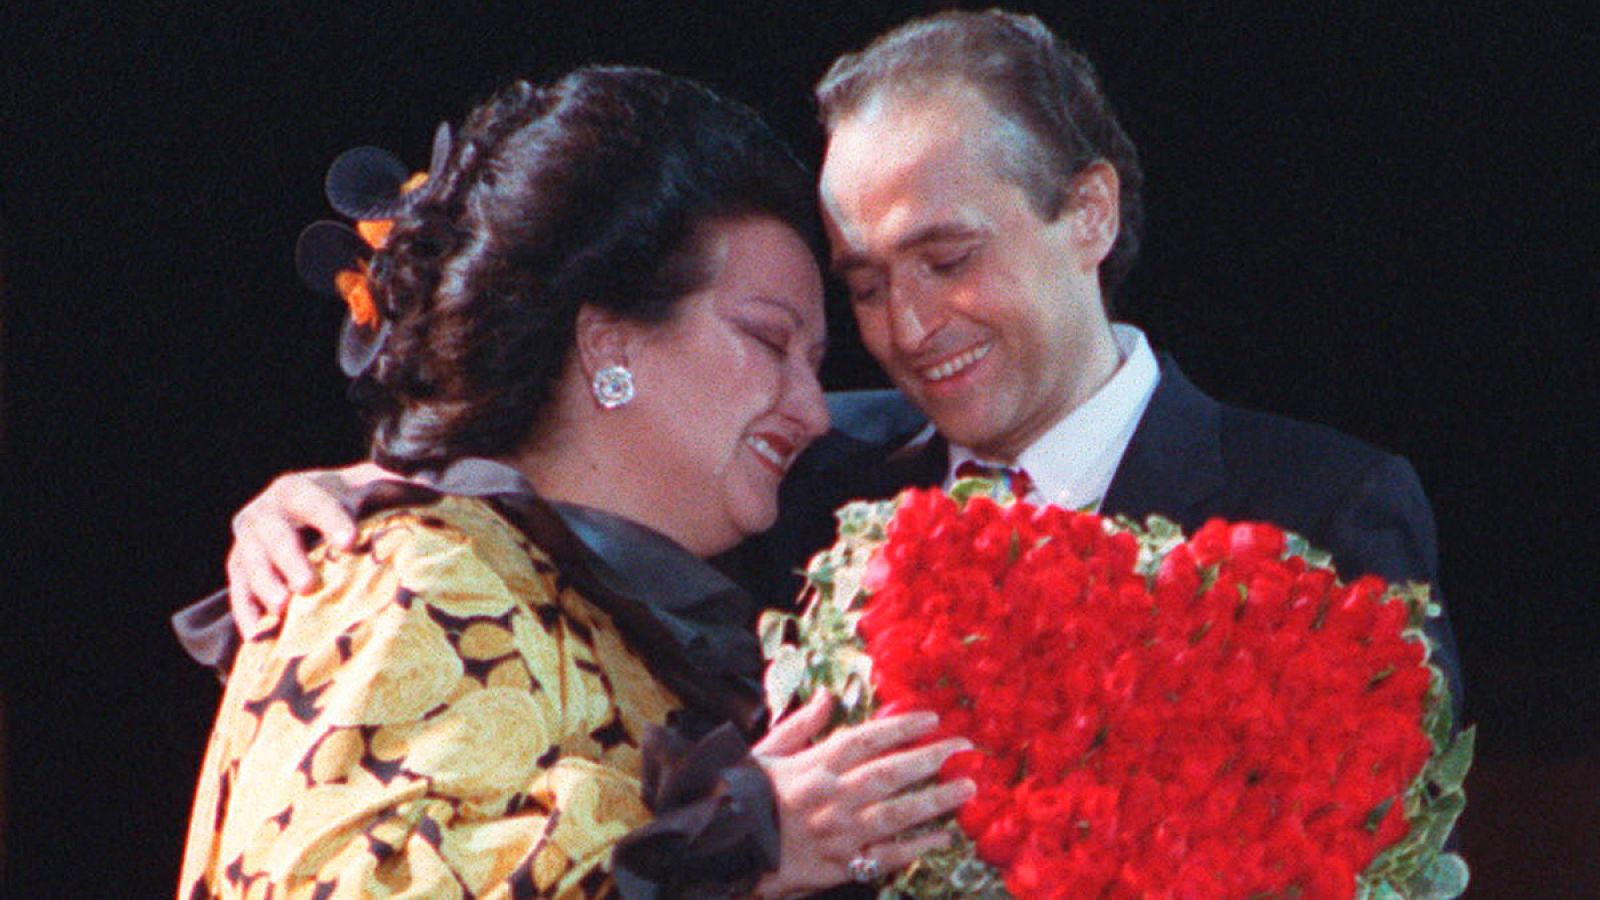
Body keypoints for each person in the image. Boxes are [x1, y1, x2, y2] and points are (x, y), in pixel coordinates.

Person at [200, 9, 1461, 709]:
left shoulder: (1322, 508)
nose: (910, 326)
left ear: (1088, 214)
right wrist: (360, 498)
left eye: (947, 256)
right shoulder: (805, 474)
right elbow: (571, 494)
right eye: (864, 283)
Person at [177, 67, 976, 899]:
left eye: (815, 366)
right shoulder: (414, 575)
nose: (812, 412)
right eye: (769, 342)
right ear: (607, 344)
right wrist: (719, 851)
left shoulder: (613, 606)